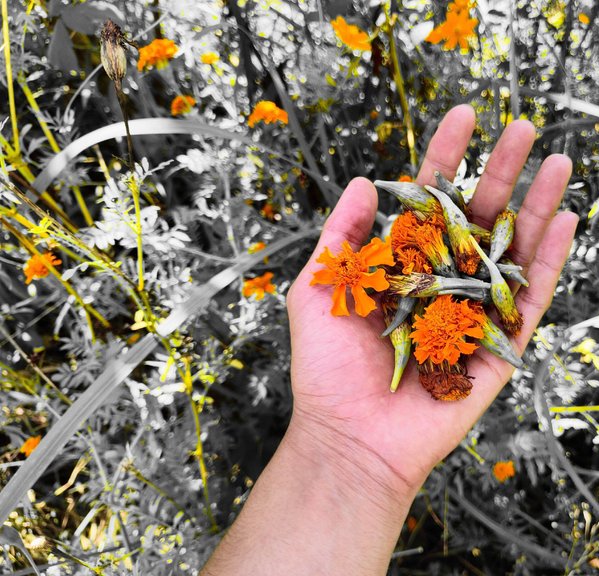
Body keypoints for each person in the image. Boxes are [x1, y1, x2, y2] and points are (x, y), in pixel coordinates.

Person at [201, 105, 578, 575]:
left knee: (456, 286)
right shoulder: (399, 293)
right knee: (441, 290)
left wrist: (468, 271)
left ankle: (463, 272)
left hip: (448, 286)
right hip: (434, 289)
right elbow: (415, 295)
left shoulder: (443, 276)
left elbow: (441, 289)